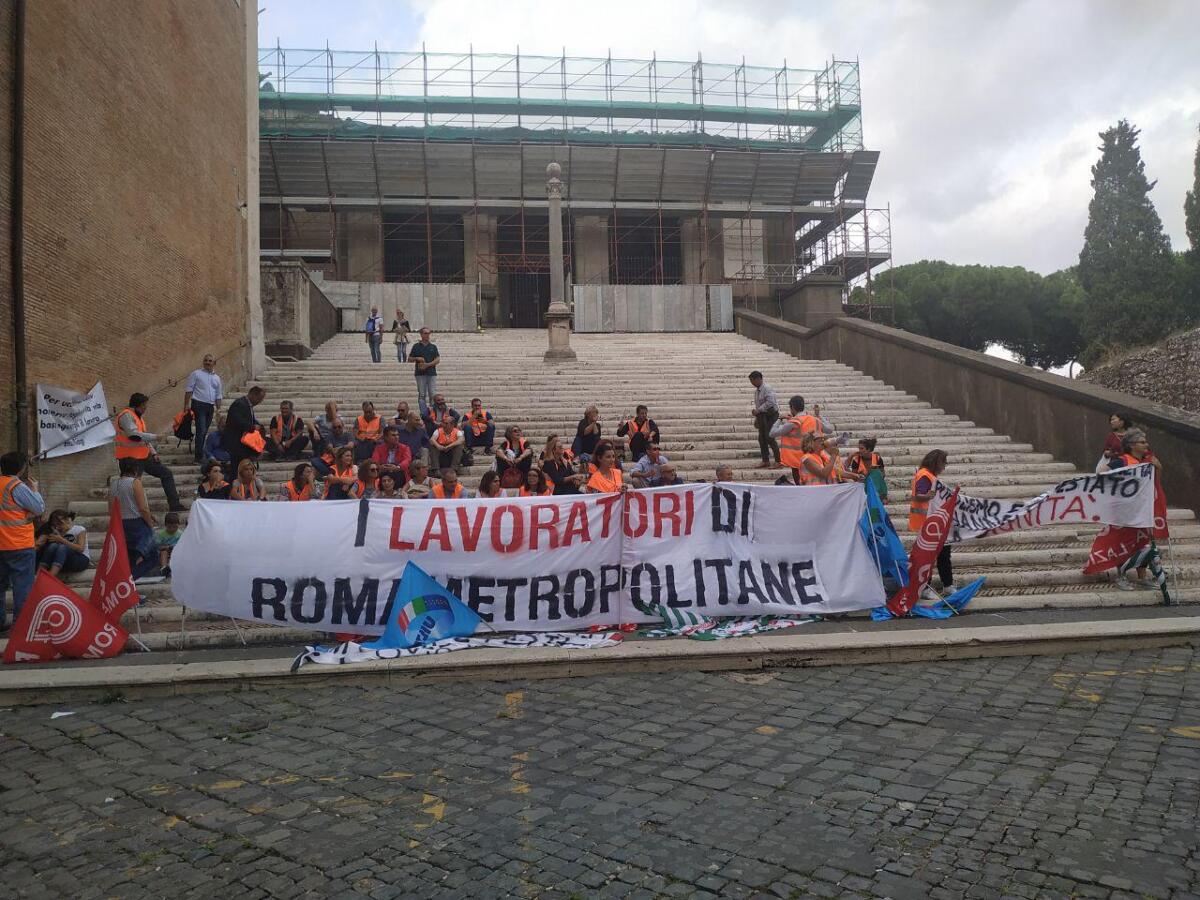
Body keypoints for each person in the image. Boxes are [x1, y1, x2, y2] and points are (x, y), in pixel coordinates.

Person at [1107, 429, 1164, 591]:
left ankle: (1142, 577)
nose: (1147, 444)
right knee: (1122, 544)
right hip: (1124, 511)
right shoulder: (1122, 461)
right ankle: (1121, 576)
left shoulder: (1148, 461)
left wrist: (1158, 468)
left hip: (1142, 510)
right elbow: (1103, 473)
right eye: (1142, 442)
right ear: (1132, 445)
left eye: (1145, 441)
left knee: (1144, 543)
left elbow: (1155, 485)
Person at [116, 392, 184, 512]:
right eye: (144, 406)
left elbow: (143, 438)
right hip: (130, 458)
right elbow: (134, 435)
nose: (145, 409)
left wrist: (153, 453)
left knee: (166, 473)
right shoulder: (126, 415)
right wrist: (156, 437)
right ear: (137, 405)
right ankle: (132, 511)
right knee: (133, 485)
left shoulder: (138, 417)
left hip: (144, 456)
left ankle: (174, 504)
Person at [0, 451, 45, 629]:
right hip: (19, 544)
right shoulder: (16, 486)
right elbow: (39, 508)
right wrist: (34, 490)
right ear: (21, 468)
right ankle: (21, 626)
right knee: (22, 587)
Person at [910, 449, 953, 602]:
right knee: (929, 556)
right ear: (936, 462)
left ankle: (948, 585)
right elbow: (917, 496)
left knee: (944, 552)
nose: (944, 466)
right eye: (943, 463)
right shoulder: (925, 476)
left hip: (935, 522)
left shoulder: (931, 476)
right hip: (927, 523)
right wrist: (928, 496)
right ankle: (925, 587)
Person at [111, 457, 157, 581]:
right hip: (137, 524)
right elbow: (142, 508)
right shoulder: (134, 482)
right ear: (134, 468)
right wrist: (150, 523)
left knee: (130, 558)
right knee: (152, 555)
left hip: (120, 524)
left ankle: (128, 591)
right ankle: (128, 580)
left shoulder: (114, 484)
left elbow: (111, 508)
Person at [773, 394, 829, 482]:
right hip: (815, 456)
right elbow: (829, 429)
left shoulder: (793, 421)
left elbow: (773, 433)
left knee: (800, 483)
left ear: (792, 408)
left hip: (796, 459)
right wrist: (819, 416)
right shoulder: (814, 420)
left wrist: (780, 419)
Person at [183, 353, 223, 463]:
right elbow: (189, 389)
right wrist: (186, 405)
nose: (207, 362)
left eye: (210, 361)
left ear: (214, 363)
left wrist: (218, 409)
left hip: (210, 407)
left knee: (204, 431)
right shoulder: (196, 374)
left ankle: (201, 453)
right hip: (198, 404)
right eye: (206, 360)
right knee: (201, 431)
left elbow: (218, 395)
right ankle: (198, 457)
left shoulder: (217, 378)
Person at [222, 385, 267, 478]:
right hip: (236, 442)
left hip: (243, 443)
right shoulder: (240, 404)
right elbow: (237, 421)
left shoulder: (247, 405)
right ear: (253, 395)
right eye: (259, 398)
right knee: (237, 468)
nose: (260, 401)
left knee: (242, 467)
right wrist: (252, 427)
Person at [36, 509, 89, 578]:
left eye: (59, 524)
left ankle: (50, 576)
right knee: (53, 546)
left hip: (80, 559)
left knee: (62, 547)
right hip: (62, 561)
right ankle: (39, 573)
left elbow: (80, 549)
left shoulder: (79, 529)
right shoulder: (56, 531)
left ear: (67, 520)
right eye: (55, 525)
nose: (58, 527)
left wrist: (62, 540)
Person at [748, 371, 781, 470]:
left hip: (771, 415)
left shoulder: (767, 388)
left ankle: (778, 461)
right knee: (761, 438)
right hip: (762, 416)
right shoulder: (757, 391)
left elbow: (770, 402)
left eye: (752, 381)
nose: (752, 383)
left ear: (758, 379)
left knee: (769, 437)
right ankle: (765, 460)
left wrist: (759, 410)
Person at [409, 327, 440, 406]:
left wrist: (427, 365)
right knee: (422, 394)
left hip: (431, 373)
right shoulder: (416, 346)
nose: (427, 335)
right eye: (425, 333)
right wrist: (417, 358)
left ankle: (433, 413)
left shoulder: (433, 347)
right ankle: (423, 412)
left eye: (429, 333)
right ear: (421, 334)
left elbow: (437, 359)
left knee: (432, 394)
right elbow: (409, 358)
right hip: (420, 374)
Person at [155, 512, 184, 577]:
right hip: (164, 550)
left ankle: (170, 567)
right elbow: (157, 546)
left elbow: (183, 545)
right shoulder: (161, 534)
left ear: (178, 525)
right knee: (163, 553)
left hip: (175, 551)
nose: (172, 529)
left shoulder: (180, 534)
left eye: (174, 527)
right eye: (169, 527)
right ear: (165, 525)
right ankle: (164, 568)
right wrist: (165, 547)